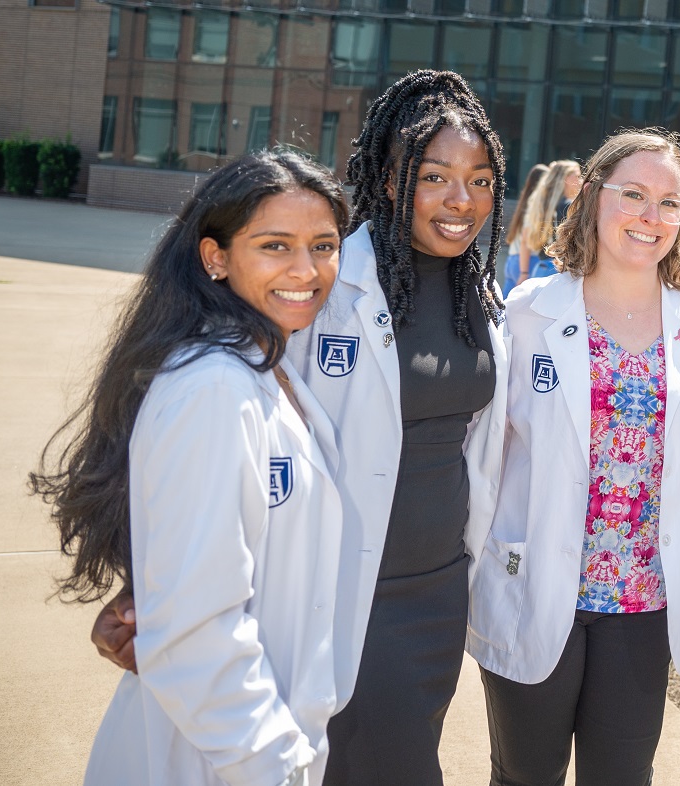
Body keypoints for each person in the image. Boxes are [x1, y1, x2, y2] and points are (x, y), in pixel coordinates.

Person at [87, 70, 514, 786]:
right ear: (389, 176)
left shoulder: (483, 292)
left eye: (478, 179)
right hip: (345, 582)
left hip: (438, 589)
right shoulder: (331, 287)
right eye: (434, 175)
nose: (459, 199)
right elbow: (217, 462)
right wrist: (150, 582)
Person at [33, 150, 351, 785]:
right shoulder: (212, 389)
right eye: (275, 245)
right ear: (216, 258)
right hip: (224, 755)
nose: (306, 270)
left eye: (323, 245)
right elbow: (197, 628)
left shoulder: (267, 369)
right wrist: (276, 765)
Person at [472, 129, 680, 786]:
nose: (650, 217)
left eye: (668, 202)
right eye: (633, 194)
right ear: (593, 197)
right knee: (523, 776)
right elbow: (477, 452)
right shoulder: (528, 313)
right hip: (535, 586)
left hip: (641, 606)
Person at [515, 158, 580, 284]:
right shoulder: (569, 206)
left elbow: (526, 237)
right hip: (560, 271)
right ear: (565, 179)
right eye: (577, 176)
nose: (581, 180)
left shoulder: (543, 205)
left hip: (540, 268)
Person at [502, 163, 551, 297]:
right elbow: (525, 239)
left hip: (513, 260)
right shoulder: (536, 206)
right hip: (528, 261)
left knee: (503, 308)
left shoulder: (524, 202)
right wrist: (524, 272)